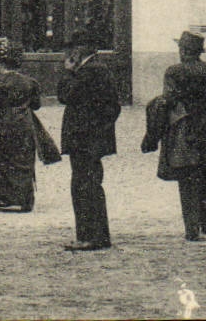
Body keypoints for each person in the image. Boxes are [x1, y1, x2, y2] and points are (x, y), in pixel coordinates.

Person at [155, 29, 206, 242]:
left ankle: (192, 228)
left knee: (188, 176)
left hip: (184, 130)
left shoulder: (173, 72)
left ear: (183, 50)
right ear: (200, 51)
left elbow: (168, 100)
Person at [58, 29, 121, 250]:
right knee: (90, 184)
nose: (69, 53)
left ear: (81, 49)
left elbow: (65, 96)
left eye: (73, 48)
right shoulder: (99, 69)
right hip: (91, 139)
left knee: (83, 186)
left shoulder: (87, 72)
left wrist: (68, 73)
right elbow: (113, 107)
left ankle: (89, 237)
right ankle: (96, 235)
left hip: (83, 139)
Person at [0, 37, 43, 212]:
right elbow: (36, 104)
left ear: (0, 62)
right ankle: (25, 197)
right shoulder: (30, 82)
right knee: (23, 159)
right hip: (24, 124)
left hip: (3, 125)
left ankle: (5, 196)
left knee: (4, 159)